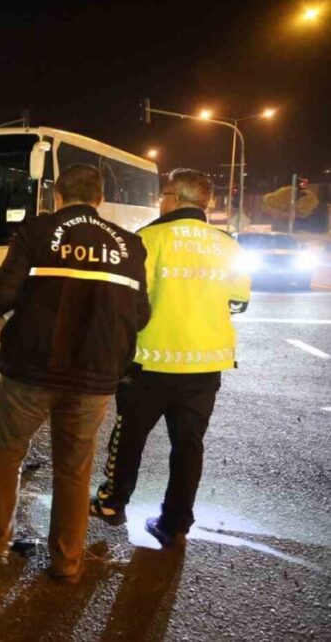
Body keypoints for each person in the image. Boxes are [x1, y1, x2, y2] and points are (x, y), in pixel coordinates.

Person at [0, 164, 151, 582]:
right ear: (99, 199)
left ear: (57, 195)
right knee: (74, 469)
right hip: (95, 376)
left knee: (6, 454)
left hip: (31, 368)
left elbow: (4, 294)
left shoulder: (36, 231)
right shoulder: (129, 245)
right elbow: (140, 315)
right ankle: (67, 562)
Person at [91, 169, 251, 547]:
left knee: (128, 436)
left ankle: (113, 503)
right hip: (205, 364)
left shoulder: (148, 238)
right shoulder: (228, 245)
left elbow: (128, 300)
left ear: (175, 199)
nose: (160, 201)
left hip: (150, 361)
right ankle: (176, 521)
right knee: (188, 444)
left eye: (163, 194)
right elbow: (238, 301)